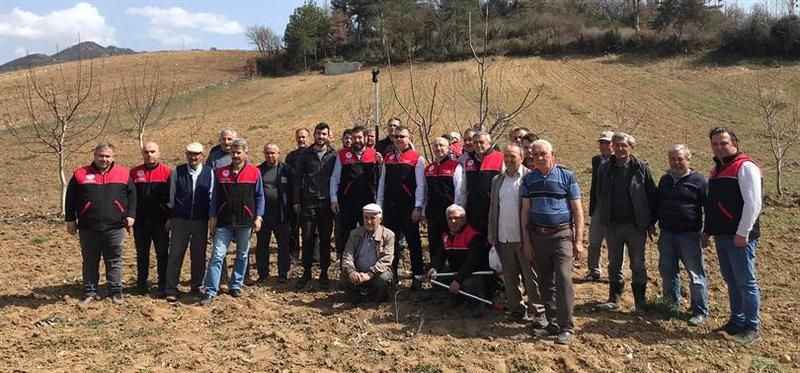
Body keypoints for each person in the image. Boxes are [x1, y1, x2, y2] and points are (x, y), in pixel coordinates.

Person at [520, 139, 584, 345]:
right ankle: (553, 323)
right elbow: (525, 212)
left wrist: (578, 240)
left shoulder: (567, 176)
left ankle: (567, 327)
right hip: (538, 236)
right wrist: (527, 241)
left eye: (543, 154)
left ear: (552, 154)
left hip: (562, 235)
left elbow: (577, 211)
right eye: (535, 154)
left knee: (564, 279)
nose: (539, 158)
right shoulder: (529, 180)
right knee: (546, 281)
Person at [704, 127, 763, 345]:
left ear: (735, 143)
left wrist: (743, 232)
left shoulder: (745, 167)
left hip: (739, 237)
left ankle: (751, 327)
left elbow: (754, 203)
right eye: (715, 144)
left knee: (746, 282)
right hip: (722, 235)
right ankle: (736, 321)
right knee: (731, 280)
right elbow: (713, 204)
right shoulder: (717, 169)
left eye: (723, 143)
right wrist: (708, 230)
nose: (719, 147)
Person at [65, 143, 136, 305]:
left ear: (113, 157)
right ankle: (90, 291)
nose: (104, 159)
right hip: (88, 227)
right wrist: (70, 219)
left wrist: (131, 215)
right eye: (101, 156)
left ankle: (116, 292)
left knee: (114, 260)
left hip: (115, 227)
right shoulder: (80, 174)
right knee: (90, 260)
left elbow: (133, 197)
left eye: (107, 156)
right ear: (94, 155)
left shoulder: (123, 174)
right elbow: (70, 199)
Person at [595, 132, 658, 313]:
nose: (620, 148)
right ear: (612, 147)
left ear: (631, 147)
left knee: (637, 263)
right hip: (612, 225)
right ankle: (614, 299)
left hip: (636, 225)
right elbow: (600, 193)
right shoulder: (605, 168)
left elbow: (651, 195)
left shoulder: (641, 168)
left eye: (624, 145)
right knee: (614, 263)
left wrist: (651, 221)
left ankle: (640, 303)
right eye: (617, 145)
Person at [201, 138, 265, 305]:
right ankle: (210, 290)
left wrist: (258, 216)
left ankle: (236, 285)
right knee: (217, 255)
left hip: (245, 221)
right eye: (233, 152)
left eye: (238, 152)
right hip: (224, 221)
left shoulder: (254, 172)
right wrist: (213, 216)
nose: (235, 155)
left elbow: (259, 196)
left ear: (245, 153)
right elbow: (214, 197)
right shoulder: (220, 172)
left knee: (242, 254)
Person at [488, 144, 544, 323]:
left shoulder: (530, 177)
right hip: (503, 237)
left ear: (521, 157)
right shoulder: (497, 180)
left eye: (513, 156)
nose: (509, 160)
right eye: (506, 156)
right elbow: (493, 209)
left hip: (524, 238)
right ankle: (516, 310)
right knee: (510, 278)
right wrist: (492, 233)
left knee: (531, 278)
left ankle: (538, 312)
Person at [656, 144, 709, 326]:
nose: (676, 162)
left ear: (688, 159)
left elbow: (708, 208)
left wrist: (706, 232)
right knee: (668, 271)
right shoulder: (665, 180)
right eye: (672, 159)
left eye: (680, 159)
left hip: (690, 235)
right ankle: (671, 305)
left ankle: (700, 311)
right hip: (667, 234)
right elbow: (657, 203)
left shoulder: (699, 181)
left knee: (695, 274)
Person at [377, 126, 426, 288]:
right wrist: (379, 206)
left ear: (409, 137)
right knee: (391, 243)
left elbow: (420, 185)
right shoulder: (388, 158)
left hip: (409, 207)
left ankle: (417, 276)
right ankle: (391, 275)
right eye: (396, 136)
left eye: (402, 136)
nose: (399, 139)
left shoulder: (416, 158)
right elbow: (382, 184)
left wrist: (418, 207)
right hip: (390, 208)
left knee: (413, 242)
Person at [164, 142, 213, 302]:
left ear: (202, 156)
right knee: (176, 254)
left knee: (198, 255)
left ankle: (196, 286)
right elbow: (171, 196)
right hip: (180, 220)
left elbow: (212, 197)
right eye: (190, 154)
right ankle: (171, 288)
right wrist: (170, 217)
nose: (193, 157)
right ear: (186, 155)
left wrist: (211, 219)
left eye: (196, 154)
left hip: (200, 220)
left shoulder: (209, 173)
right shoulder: (177, 172)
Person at [293, 122, 338, 290]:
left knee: (325, 239)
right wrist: (296, 201)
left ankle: (324, 273)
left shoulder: (334, 155)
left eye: (324, 134)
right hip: (308, 203)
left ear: (328, 135)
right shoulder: (305, 155)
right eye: (318, 134)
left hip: (326, 203)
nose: (321, 137)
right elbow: (297, 179)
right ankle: (306, 272)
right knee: (307, 238)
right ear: (314, 135)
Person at [428, 204, 491, 318]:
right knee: (438, 277)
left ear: (464, 219)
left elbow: (472, 263)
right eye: (450, 218)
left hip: (474, 273)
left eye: (456, 218)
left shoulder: (473, 236)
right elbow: (440, 255)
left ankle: (477, 305)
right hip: (456, 271)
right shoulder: (446, 236)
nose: (453, 221)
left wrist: (458, 280)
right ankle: (455, 298)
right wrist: (434, 268)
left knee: (469, 283)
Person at [330, 126, 379, 267]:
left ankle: (368, 267)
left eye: (359, 137)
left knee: (369, 235)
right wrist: (334, 198)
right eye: (354, 138)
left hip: (368, 203)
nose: (356, 140)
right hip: (347, 203)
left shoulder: (374, 154)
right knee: (346, 236)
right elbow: (335, 178)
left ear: (365, 138)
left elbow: (379, 180)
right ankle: (346, 268)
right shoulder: (342, 155)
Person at [130, 142, 172, 297]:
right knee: (142, 254)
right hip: (140, 222)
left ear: (158, 153)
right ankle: (141, 284)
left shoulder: (168, 173)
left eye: (153, 151)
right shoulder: (134, 173)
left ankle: (163, 284)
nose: (149, 155)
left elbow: (172, 199)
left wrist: (170, 218)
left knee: (162, 254)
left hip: (161, 222)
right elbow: (130, 196)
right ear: (143, 154)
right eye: (146, 152)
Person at [341, 204, 395, 304]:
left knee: (384, 278)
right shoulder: (354, 234)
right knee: (345, 273)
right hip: (358, 273)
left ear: (380, 219)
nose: (369, 221)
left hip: (376, 274)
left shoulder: (388, 235)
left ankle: (375, 299)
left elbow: (386, 260)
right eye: (366, 218)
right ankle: (356, 298)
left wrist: (370, 274)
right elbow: (347, 255)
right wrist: (352, 272)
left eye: (372, 218)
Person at [254, 143, 293, 283]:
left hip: (281, 214)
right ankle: (263, 274)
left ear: (278, 153)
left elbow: (292, 190)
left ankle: (283, 273)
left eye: (273, 153)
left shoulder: (286, 170)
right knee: (262, 245)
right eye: (267, 153)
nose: (270, 155)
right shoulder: (258, 170)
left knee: (283, 245)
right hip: (263, 214)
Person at [424, 137, 465, 267]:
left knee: (451, 247)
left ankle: (452, 279)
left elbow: (460, 191)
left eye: (441, 145)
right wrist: (424, 210)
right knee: (434, 246)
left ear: (448, 148)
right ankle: (436, 278)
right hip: (433, 214)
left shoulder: (455, 166)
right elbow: (425, 192)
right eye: (435, 146)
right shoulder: (429, 168)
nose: (438, 148)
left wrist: (457, 214)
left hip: (450, 216)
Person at [585, 130, 615, 282]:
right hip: (598, 206)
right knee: (594, 241)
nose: (604, 145)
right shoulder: (596, 160)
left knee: (614, 243)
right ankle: (593, 270)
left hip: (614, 209)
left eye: (607, 143)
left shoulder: (620, 162)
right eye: (602, 142)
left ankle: (615, 272)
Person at [462, 131, 504, 235]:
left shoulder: (500, 158)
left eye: (481, 142)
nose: (478, 145)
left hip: (493, 210)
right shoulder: (468, 160)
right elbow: (463, 188)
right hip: (473, 210)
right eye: (475, 142)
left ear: (489, 143)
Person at [285, 128, 311, 260]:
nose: (301, 139)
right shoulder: (291, 156)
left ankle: (313, 256)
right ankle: (294, 253)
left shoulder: (313, 154)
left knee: (311, 229)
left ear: (308, 138)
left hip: (310, 196)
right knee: (293, 227)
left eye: (304, 137)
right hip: (294, 195)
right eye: (299, 137)